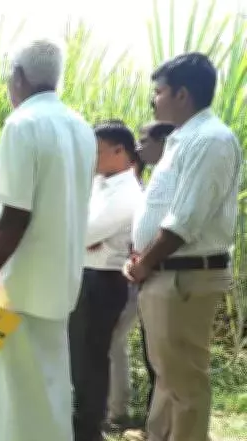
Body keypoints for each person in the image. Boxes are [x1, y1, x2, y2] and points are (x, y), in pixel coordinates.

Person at [0, 39, 96, 441]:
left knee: (8, 398)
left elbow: (14, 216)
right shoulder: (81, 127)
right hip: (57, 285)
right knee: (49, 391)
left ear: (18, 76)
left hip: (12, 288)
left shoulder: (21, 124)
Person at [123, 53, 241, 441]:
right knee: (169, 375)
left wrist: (145, 262)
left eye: (158, 92)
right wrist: (140, 256)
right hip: (164, 272)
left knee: (186, 380)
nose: (153, 100)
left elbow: (185, 220)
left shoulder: (211, 140)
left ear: (182, 94)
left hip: (184, 277)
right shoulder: (181, 138)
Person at [70, 120, 142, 441]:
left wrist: (81, 234)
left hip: (104, 280)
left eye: (98, 151)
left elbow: (82, 232)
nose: (93, 158)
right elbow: (78, 228)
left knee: (92, 357)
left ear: (120, 151)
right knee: (78, 356)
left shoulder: (127, 191)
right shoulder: (100, 183)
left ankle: (88, 429)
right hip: (86, 274)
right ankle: (81, 421)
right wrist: (81, 234)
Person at [107, 120, 173, 427]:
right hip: (138, 275)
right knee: (142, 352)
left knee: (117, 345)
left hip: (141, 275)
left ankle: (123, 412)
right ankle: (147, 419)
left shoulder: (138, 191)